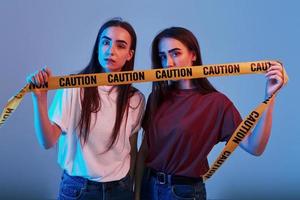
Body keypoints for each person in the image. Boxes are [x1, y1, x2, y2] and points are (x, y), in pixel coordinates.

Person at [134, 27, 284, 200]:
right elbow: (145, 150)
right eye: (162, 56)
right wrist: (137, 193)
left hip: (183, 193)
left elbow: (255, 147)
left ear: (193, 55)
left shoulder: (216, 103)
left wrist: (270, 97)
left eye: (175, 53)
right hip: (149, 187)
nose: (168, 63)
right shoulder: (157, 97)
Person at [27, 18, 145, 200]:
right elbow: (48, 141)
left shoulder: (135, 99)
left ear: (129, 54)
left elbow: (132, 148)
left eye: (120, 46)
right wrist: (40, 99)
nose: (111, 51)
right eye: (105, 42)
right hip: (78, 190)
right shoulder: (73, 87)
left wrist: (134, 191)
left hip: (121, 189)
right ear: (98, 46)